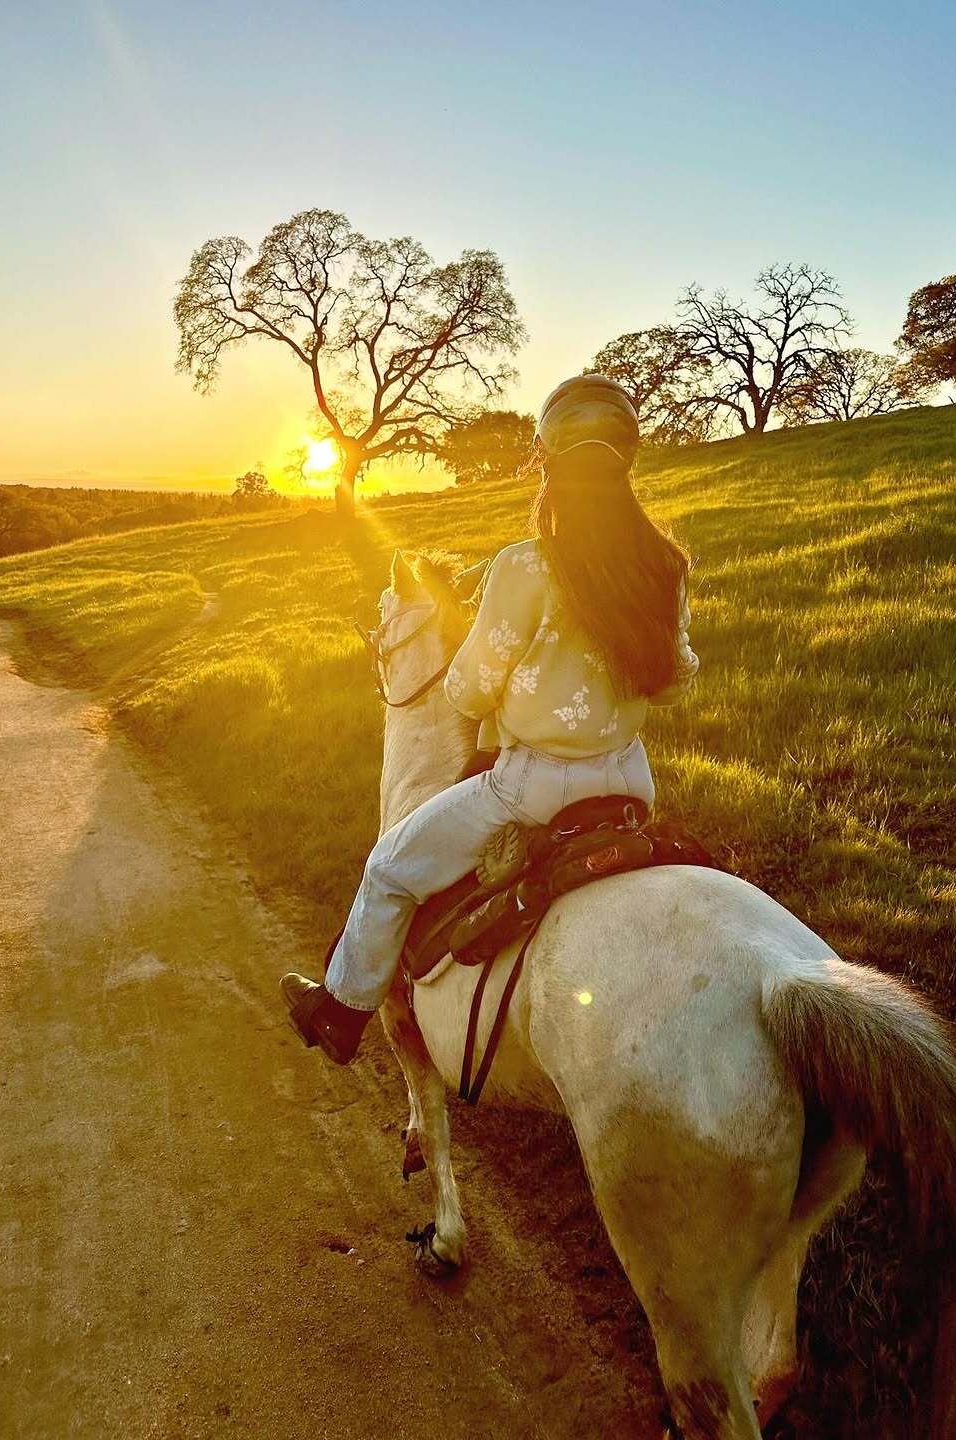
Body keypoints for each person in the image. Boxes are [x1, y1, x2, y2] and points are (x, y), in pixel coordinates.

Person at [280, 375, 699, 1064]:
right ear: (628, 460)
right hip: (629, 787)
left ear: (545, 460)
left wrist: (508, 690)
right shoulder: (665, 564)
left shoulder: (524, 565)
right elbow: (677, 678)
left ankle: (341, 1011)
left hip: (531, 789)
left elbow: (469, 690)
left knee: (389, 866)